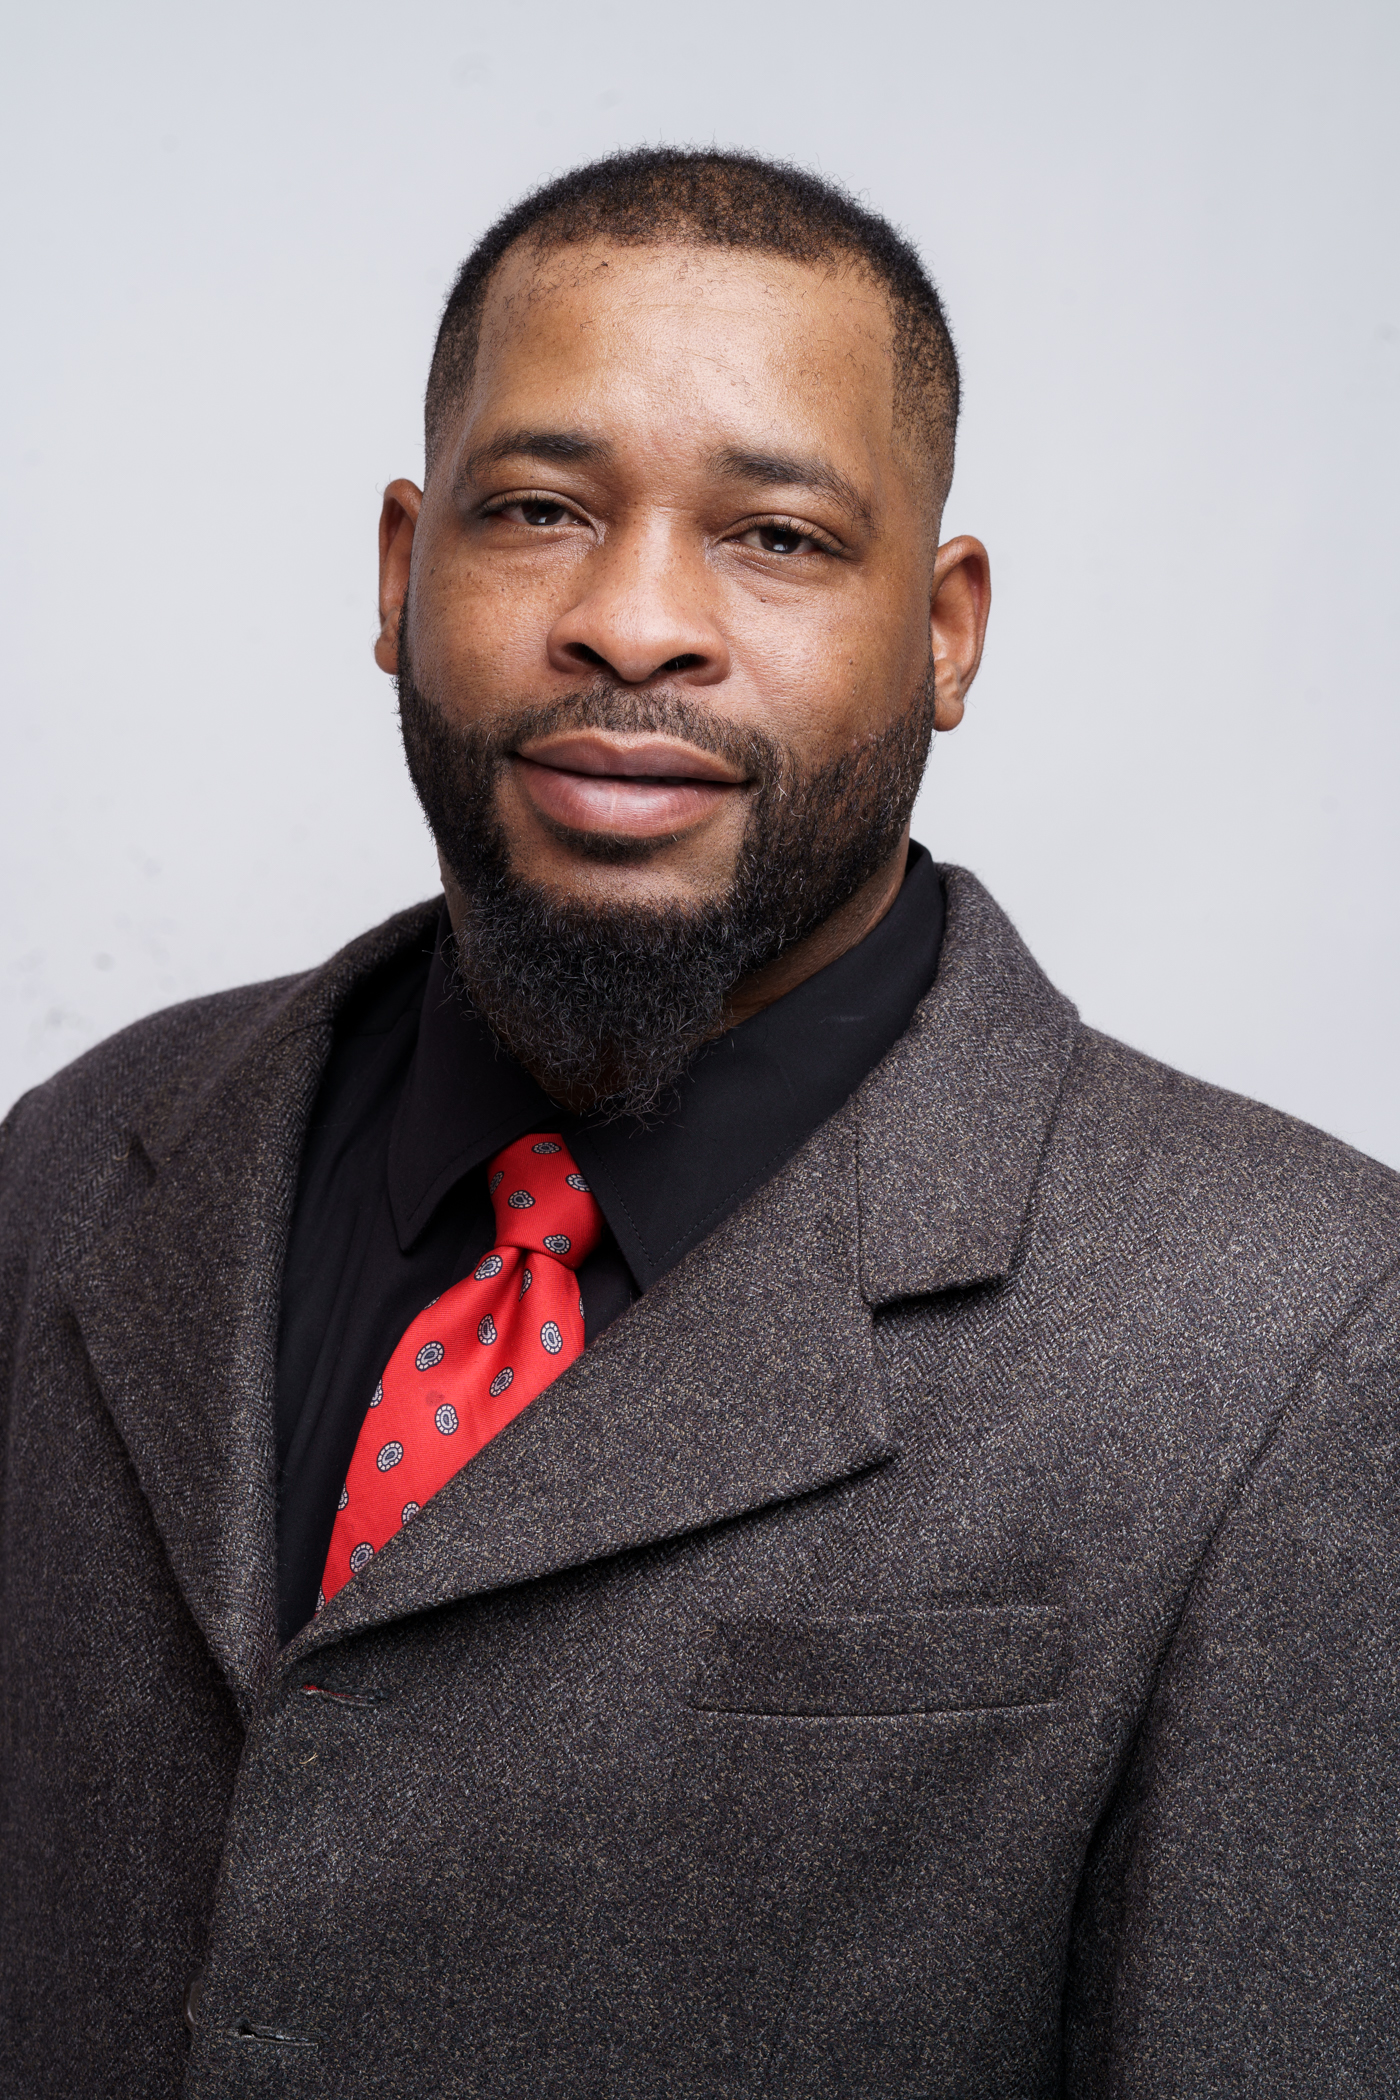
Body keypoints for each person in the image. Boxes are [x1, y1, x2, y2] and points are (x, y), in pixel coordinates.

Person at [1, 147, 1395, 2100]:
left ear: (946, 627)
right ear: (403, 575)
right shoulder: (80, 1153)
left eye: (778, 538)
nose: (634, 622)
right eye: (542, 507)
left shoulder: (1302, 1328)